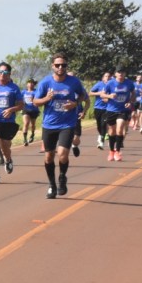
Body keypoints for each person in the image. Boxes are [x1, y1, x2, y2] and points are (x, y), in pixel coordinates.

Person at [33, 53, 87, 198]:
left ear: (66, 66)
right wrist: (46, 98)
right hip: (49, 124)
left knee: (62, 154)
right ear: (53, 66)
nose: (61, 67)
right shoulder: (45, 82)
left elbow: (82, 95)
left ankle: (62, 176)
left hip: (67, 123)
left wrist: (76, 103)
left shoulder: (73, 81)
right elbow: (35, 101)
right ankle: (52, 185)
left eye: (63, 65)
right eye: (57, 65)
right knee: (49, 157)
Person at [103, 68, 136, 161]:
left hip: (123, 110)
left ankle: (117, 151)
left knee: (120, 128)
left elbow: (133, 93)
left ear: (125, 73)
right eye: (119, 72)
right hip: (111, 110)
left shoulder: (129, 83)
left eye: (122, 72)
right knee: (111, 131)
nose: (121, 74)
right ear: (115, 74)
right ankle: (111, 151)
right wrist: (109, 96)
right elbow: (103, 95)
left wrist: (130, 102)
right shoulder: (110, 83)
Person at [89, 71, 111, 150]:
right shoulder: (99, 84)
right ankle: (101, 134)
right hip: (98, 108)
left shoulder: (112, 85)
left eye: (109, 76)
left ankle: (101, 142)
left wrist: (108, 99)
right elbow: (90, 93)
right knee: (99, 125)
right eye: (106, 76)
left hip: (107, 108)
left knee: (103, 124)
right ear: (103, 78)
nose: (107, 78)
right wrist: (99, 93)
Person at [20, 78, 39, 146]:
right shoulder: (23, 92)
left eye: (32, 83)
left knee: (32, 125)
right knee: (26, 123)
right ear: (27, 84)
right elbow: (19, 99)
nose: (30, 84)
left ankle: (32, 134)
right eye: (29, 82)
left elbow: (39, 100)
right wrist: (21, 103)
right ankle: (25, 140)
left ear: (34, 84)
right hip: (26, 110)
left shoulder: (36, 92)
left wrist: (34, 100)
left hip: (34, 110)